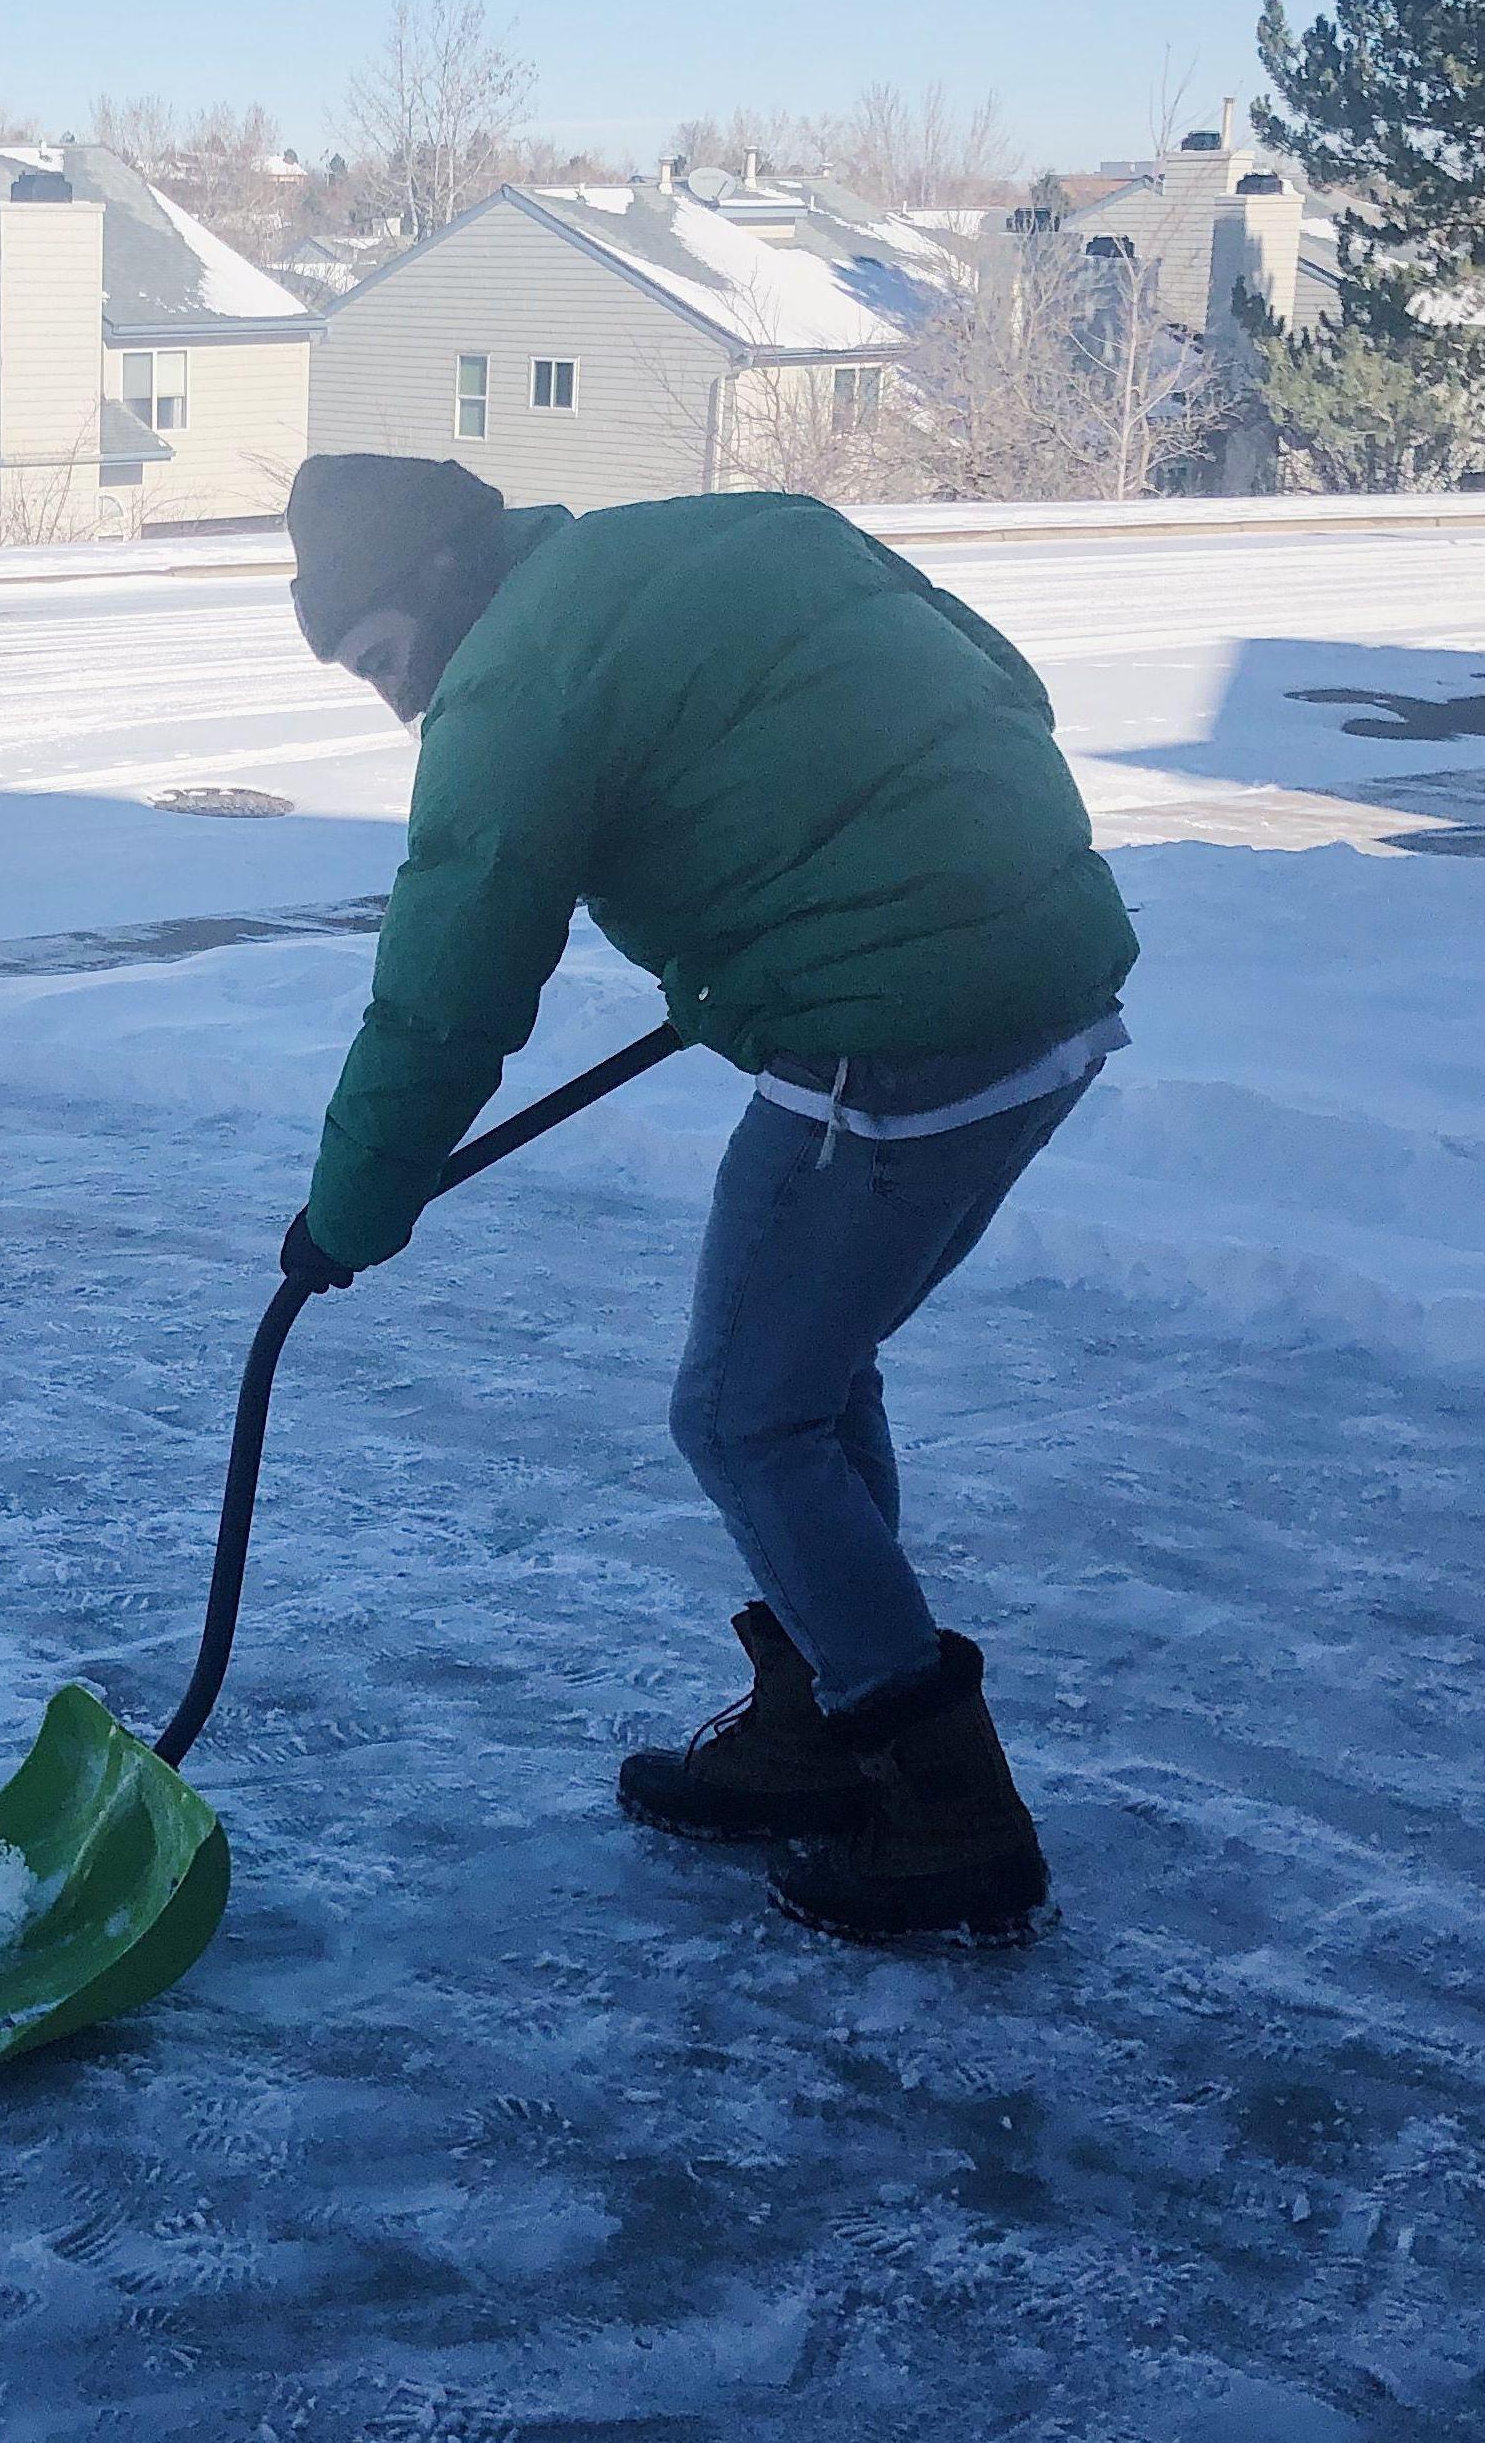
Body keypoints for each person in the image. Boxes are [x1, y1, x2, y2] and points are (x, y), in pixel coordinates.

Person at [278, 455, 1137, 1948]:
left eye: (380, 661)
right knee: (806, 1375)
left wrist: (350, 1212)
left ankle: (942, 1800)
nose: (397, 705)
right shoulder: (733, 529)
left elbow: (447, 988)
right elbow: (997, 682)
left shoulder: (512, 683)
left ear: (430, 581)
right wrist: (816, 872)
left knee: (747, 1412)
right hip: (1047, 980)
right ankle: (824, 1710)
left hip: (898, 1036)